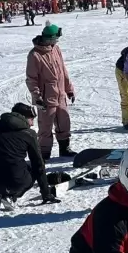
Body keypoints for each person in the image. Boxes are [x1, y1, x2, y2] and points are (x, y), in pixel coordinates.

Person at [0, 103, 56, 211]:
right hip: (14, 181)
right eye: (32, 119)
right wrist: (46, 194)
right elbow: (38, 164)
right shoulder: (29, 133)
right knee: (29, 168)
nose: (32, 124)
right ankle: (10, 195)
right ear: (23, 117)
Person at [26, 23, 75, 159]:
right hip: (46, 98)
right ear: (49, 38)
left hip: (60, 95)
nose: (56, 42)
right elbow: (31, 79)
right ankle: (44, 153)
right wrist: (37, 97)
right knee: (45, 127)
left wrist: (69, 89)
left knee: (64, 122)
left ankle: (64, 148)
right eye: (55, 39)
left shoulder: (56, 49)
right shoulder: (35, 55)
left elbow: (63, 71)